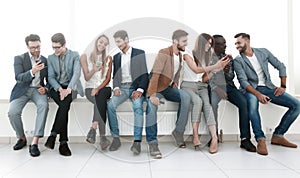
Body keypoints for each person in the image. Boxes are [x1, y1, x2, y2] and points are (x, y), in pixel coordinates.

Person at [233, 33, 300, 155]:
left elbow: (281, 66)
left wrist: (283, 86)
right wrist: (258, 95)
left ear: (247, 41)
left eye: (238, 43)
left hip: (268, 87)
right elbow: (243, 82)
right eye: (235, 43)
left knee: (297, 105)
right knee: (253, 106)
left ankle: (278, 135)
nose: (236, 46)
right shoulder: (238, 60)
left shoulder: (263, 52)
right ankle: (260, 139)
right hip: (250, 89)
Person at [180, 33, 229, 154]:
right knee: (198, 102)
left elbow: (203, 79)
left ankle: (214, 138)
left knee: (207, 105)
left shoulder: (207, 58)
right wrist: (215, 66)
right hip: (188, 85)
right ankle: (195, 136)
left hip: (201, 86)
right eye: (208, 43)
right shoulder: (187, 54)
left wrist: (217, 70)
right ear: (201, 43)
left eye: (211, 44)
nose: (209, 46)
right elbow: (196, 70)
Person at [209, 34, 256, 152]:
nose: (225, 45)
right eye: (222, 44)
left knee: (243, 102)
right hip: (214, 87)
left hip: (228, 87)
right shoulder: (207, 58)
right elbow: (207, 79)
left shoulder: (228, 58)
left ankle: (245, 139)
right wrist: (217, 88)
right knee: (212, 104)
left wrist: (226, 71)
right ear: (214, 46)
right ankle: (213, 137)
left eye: (225, 43)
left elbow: (231, 77)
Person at [107, 30, 151, 156]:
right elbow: (115, 76)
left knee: (138, 107)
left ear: (126, 39)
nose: (118, 45)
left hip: (136, 87)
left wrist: (140, 90)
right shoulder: (116, 57)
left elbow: (144, 74)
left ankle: (137, 142)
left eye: (119, 42)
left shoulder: (139, 53)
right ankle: (116, 138)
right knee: (110, 106)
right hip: (122, 88)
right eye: (116, 42)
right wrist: (115, 88)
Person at [147, 29, 191, 150]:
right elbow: (155, 74)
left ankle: (178, 131)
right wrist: (152, 95)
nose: (186, 43)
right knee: (151, 107)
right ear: (175, 41)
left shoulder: (180, 56)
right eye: (184, 41)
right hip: (156, 88)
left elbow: (176, 72)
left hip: (167, 88)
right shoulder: (164, 52)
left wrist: (175, 83)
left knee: (186, 97)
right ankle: (152, 142)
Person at [8, 34, 48, 157]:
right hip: (22, 90)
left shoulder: (45, 60)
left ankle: (35, 142)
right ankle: (22, 138)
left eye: (38, 47)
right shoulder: (19, 58)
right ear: (27, 47)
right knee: (12, 112)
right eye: (33, 47)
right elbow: (18, 77)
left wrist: (45, 89)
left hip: (37, 90)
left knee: (44, 106)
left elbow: (50, 79)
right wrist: (32, 71)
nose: (36, 50)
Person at [44, 33, 84, 156]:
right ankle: (63, 143)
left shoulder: (74, 55)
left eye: (58, 47)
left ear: (64, 45)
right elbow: (50, 77)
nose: (55, 50)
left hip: (71, 88)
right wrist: (60, 89)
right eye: (53, 47)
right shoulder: (50, 58)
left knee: (64, 104)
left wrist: (69, 89)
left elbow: (76, 74)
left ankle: (53, 136)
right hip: (56, 88)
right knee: (64, 106)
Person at [80, 34, 112, 150]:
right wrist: (94, 69)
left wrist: (98, 88)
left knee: (101, 95)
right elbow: (87, 78)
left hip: (104, 88)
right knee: (101, 102)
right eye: (101, 42)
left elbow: (108, 78)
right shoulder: (85, 57)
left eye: (105, 44)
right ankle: (103, 138)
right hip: (90, 89)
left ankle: (93, 128)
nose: (102, 45)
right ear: (96, 41)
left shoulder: (108, 58)